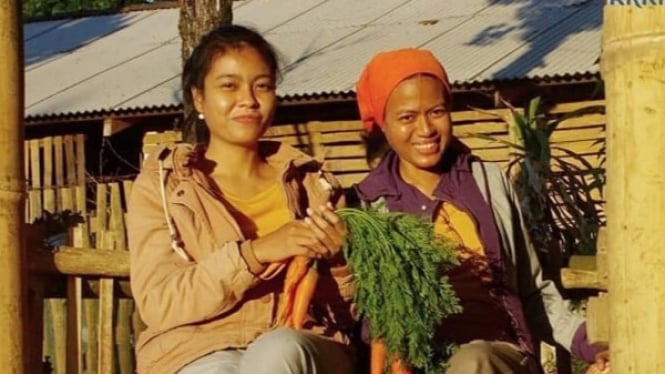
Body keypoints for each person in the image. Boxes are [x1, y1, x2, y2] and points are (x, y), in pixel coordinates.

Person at [352, 48, 609, 373]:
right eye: (407, 117)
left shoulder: (487, 183)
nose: (426, 128)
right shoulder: (366, 206)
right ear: (383, 125)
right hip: (413, 364)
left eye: (436, 111)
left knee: (473, 360)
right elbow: (365, 319)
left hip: (498, 356)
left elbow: (533, 290)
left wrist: (588, 342)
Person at [127, 25, 356, 374]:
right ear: (199, 98)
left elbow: (352, 313)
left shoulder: (314, 185)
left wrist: (340, 263)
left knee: (278, 350)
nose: (248, 99)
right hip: (197, 348)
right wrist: (255, 253)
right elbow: (161, 303)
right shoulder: (165, 187)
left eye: (261, 85)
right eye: (229, 86)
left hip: (303, 344)